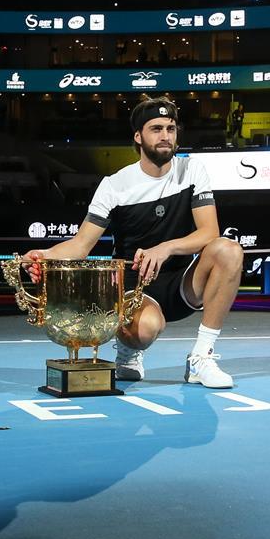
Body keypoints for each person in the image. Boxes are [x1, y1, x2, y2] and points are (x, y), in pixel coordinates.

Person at [24, 95, 242, 388]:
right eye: (156, 129)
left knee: (228, 250)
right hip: (135, 285)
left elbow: (208, 233)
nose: (165, 136)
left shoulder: (192, 170)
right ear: (138, 136)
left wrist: (166, 248)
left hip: (183, 283)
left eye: (171, 128)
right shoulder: (115, 185)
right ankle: (128, 351)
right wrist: (44, 253)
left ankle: (201, 357)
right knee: (145, 330)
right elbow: (81, 245)